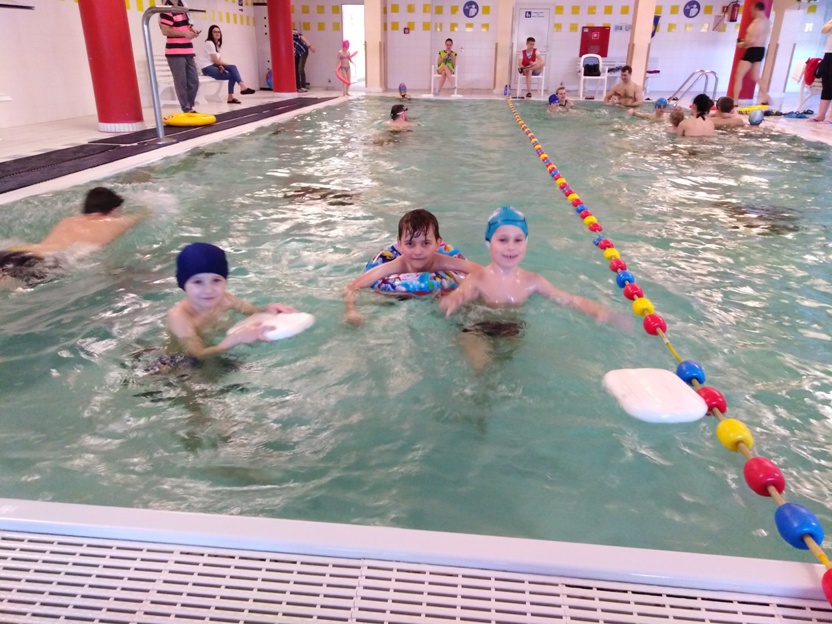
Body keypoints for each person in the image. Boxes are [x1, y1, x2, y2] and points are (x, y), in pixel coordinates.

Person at [438, 207, 628, 370]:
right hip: (477, 329)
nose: (511, 247)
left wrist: (598, 311)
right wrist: (453, 299)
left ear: (526, 243)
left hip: (512, 329)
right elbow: (462, 293)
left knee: (505, 372)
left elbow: (567, 299)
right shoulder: (478, 278)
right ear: (489, 242)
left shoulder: (532, 281)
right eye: (503, 240)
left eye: (518, 240)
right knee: (481, 368)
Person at [343, 209, 481, 326]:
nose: (418, 251)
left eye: (425, 243)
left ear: (438, 244)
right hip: (400, 299)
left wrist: (462, 291)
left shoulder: (443, 262)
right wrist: (351, 311)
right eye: (410, 244)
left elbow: (482, 272)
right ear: (400, 245)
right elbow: (352, 287)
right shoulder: (396, 265)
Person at [167, 242, 298, 359]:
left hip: (217, 350)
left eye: (216, 280)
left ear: (225, 281)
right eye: (197, 282)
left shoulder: (225, 299)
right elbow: (197, 355)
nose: (208, 290)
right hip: (181, 362)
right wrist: (236, 339)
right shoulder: (180, 316)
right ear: (183, 284)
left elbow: (252, 311)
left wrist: (267, 309)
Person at [0, 187, 148, 287]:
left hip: (15, 251)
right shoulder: (115, 222)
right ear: (114, 210)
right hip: (41, 262)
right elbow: (146, 213)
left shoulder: (69, 220)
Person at [159, 0, 201, 114]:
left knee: (194, 81)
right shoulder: (167, 9)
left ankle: (189, 106)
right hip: (175, 51)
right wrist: (184, 33)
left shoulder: (182, 7)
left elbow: (184, 27)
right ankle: (187, 108)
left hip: (188, 50)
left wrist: (191, 30)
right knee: (181, 82)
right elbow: (165, 30)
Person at [197, 25, 256, 104]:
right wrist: (225, 64)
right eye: (215, 32)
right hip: (206, 68)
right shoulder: (209, 43)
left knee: (233, 68)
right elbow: (216, 61)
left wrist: (220, 66)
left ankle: (237, 91)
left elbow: (218, 61)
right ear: (211, 33)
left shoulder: (217, 45)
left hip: (213, 66)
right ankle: (239, 89)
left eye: (219, 32)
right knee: (233, 74)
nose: (217, 33)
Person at [732, 1, 771, 105]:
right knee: (756, 76)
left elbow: (751, 41)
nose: (751, 12)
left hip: (752, 50)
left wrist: (742, 44)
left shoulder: (756, 23)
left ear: (757, 9)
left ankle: (735, 100)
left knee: (739, 75)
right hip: (761, 50)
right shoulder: (767, 22)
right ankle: (766, 96)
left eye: (752, 10)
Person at [809, 17, 832, 123]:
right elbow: (823, 30)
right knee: (826, 84)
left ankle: (830, 117)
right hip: (828, 54)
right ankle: (821, 115)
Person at [293, 29, 315, 93]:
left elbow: (301, 36)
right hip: (296, 53)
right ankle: (298, 87)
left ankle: (303, 86)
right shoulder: (284, 38)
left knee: (300, 68)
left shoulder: (291, 33)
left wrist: (310, 46)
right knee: (295, 69)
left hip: (303, 51)